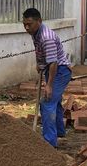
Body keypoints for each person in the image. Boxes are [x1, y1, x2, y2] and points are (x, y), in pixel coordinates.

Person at [22, 8, 72, 147]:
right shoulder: (35, 32)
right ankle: (59, 132)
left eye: (29, 24)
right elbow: (41, 52)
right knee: (55, 101)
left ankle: (49, 143)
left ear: (39, 21)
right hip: (52, 68)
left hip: (60, 71)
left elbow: (53, 63)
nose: (27, 27)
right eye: (24, 24)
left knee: (47, 102)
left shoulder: (46, 38)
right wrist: (39, 63)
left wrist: (49, 85)